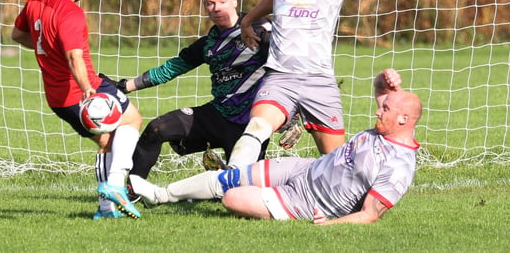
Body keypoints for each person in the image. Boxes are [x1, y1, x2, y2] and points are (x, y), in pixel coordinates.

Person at [130, 69, 422, 225]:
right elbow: (383, 91)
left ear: (404, 119)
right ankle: (159, 195)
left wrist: (328, 225)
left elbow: (370, 215)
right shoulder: (387, 127)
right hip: (303, 169)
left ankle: (238, 195)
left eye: (385, 110)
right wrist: (384, 78)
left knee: (232, 198)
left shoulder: (399, 166)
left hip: (306, 203)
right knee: (230, 178)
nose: (377, 111)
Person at [227, 0, 414, 168]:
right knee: (257, 127)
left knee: (336, 165)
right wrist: (247, 19)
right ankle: (228, 181)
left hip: (320, 82)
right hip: (280, 77)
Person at [11, 0, 143, 220]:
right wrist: (88, 90)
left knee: (107, 140)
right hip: (81, 89)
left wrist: (47, 50)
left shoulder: (35, 2)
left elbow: (18, 34)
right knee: (132, 120)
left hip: (58, 97)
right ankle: (116, 186)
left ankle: (106, 208)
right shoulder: (70, 12)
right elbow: (73, 56)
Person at [114, 0, 273, 181]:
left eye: (222, 1)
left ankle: (226, 175)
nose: (216, 8)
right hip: (218, 115)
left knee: (240, 190)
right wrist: (125, 86)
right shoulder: (208, 44)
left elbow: (287, 68)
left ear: (234, 0)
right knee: (157, 129)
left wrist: (292, 115)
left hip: (251, 123)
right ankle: (130, 191)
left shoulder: (259, 29)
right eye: (210, 3)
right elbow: (172, 68)